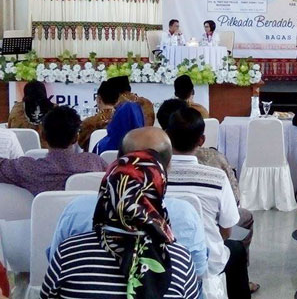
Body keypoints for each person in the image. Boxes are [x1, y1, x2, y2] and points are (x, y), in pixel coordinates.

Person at [48, 127, 209, 284]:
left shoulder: (76, 210)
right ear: (166, 168)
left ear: (119, 161)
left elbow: (55, 263)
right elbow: (198, 272)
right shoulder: (186, 214)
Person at [166, 108, 256, 298]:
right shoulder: (216, 177)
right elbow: (226, 230)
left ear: (167, 135)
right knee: (236, 249)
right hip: (206, 262)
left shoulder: (154, 176)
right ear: (201, 140)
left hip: (161, 257)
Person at [0, 106, 107, 195]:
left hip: (43, 215)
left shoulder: (28, 169)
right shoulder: (95, 163)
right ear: (76, 138)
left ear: (43, 136)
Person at [8, 80, 55, 148]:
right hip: (49, 151)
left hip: (21, 150)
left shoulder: (17, 109)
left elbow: (10, 129)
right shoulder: (56, 110)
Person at [77, 81, 118, 151]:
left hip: (92, 157)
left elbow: (81, 144)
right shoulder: (125, 122)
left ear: (98, 99)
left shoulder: (88, 123)